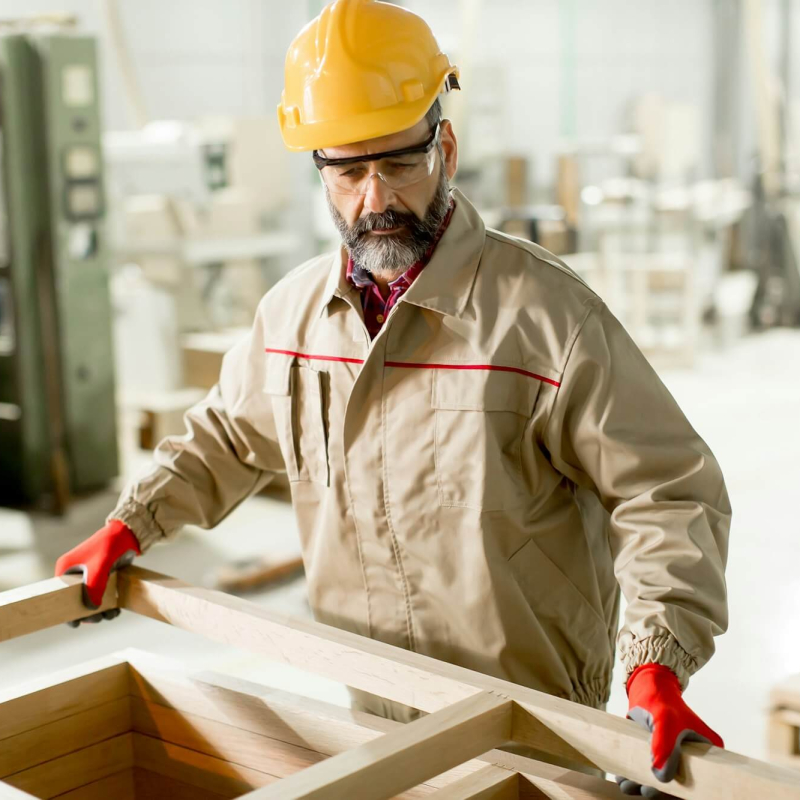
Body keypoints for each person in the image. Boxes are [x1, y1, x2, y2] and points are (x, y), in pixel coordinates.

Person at [56, 0, 729, 794]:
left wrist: (657, 660)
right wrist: (132, 522)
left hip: (535, 720)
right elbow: (228, 440)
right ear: (321, 171)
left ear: (444, 145)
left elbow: (665, 490)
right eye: (347, 170)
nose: (374, 198)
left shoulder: (546, 319)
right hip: (372, 706)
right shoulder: (293, 317)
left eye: (398, 162)